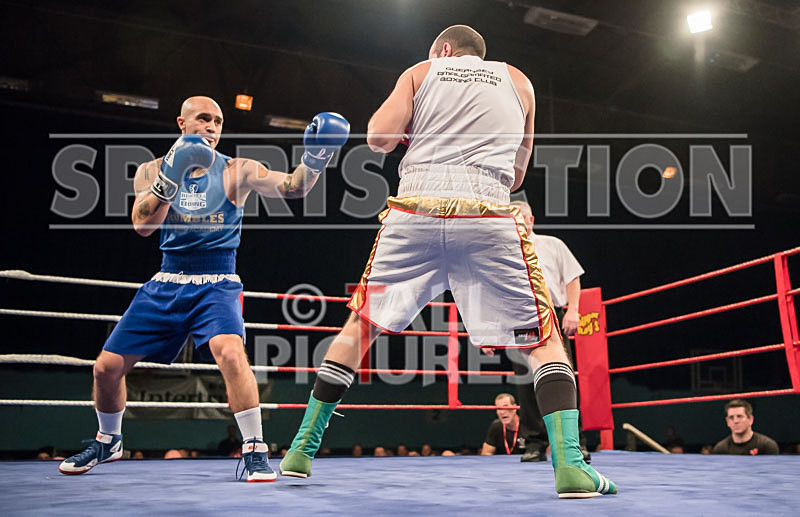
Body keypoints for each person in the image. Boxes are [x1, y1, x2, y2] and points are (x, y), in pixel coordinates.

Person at [279, 25, 616, 498]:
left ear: (443, 50)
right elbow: (518, 172)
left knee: (360, 325)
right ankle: (571, 469)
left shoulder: (422, 71)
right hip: (489, 210)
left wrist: (413, 131)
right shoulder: (520, 82)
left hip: (415, 207)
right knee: (543, 339)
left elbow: (377, 137)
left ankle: (299, 451)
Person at [57, 96, 350, 482]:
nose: (212, 127)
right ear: (182, 123)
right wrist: (172, 174)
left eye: (218, 121)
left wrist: (316, 158)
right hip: (166, 280)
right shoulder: (150, 170)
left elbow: (293, 188)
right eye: (203, 119)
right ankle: (109, 439)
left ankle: (255, 449)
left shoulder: (236, 169)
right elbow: (142, 225)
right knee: (105, 369)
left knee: (229, 351)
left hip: (217, 282)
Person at [507, 200, 589, 463]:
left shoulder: (552, 244)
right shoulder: (505, 249)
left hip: (552, 313)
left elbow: (572, 277)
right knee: (526, 382)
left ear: (531, 220)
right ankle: (535, 443)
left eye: (520, 217)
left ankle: (574, 443)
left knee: (562, 378)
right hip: (521, 318)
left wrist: (573, 310)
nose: (516, 222)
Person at [712, 399, 778, 455]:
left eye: (740, 416)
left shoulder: (767, 445)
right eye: (731, 417)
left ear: (750, 419)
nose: (735, 421)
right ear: (727, 421)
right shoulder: (720, 449)